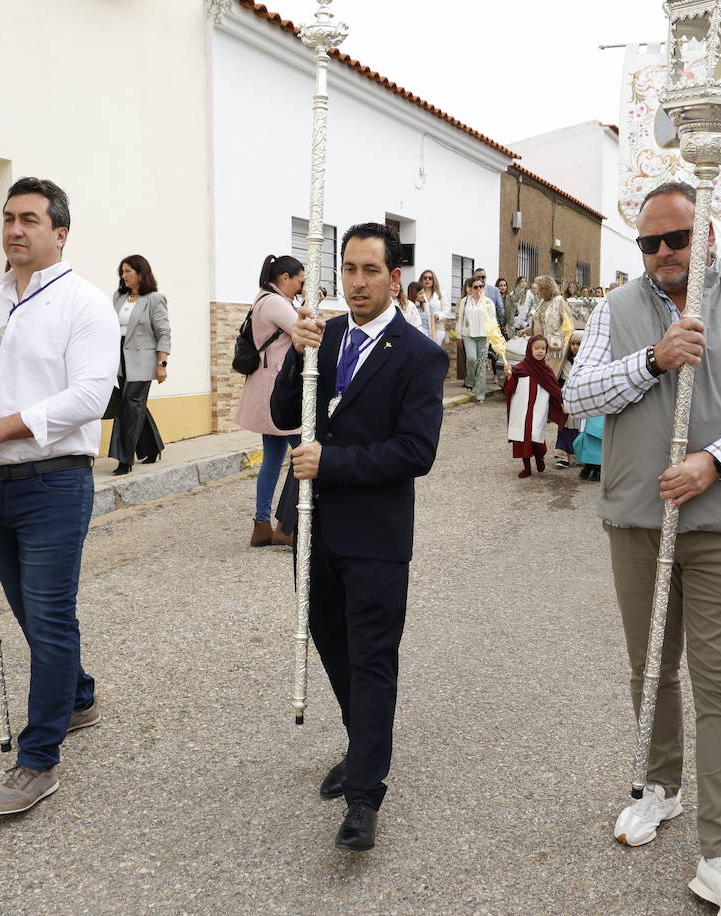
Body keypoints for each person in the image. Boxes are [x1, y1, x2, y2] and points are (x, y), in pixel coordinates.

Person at [564, 180, 721, 916]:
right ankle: (659, 788)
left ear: (708, 235)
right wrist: (653, 359)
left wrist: (716, 460)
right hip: (638, 519)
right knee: (650, 669)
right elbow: (578, 396)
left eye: (677, 238)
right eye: (650, 242)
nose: (665, 253)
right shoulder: (617, 310)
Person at [0, 177, 117, 816]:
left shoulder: (86, 304)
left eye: (30, 220)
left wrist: (2, 427)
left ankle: (38, 759)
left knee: (46, 614)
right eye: (9, 219)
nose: (15, 230)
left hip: (54, 483)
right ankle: (78, 696)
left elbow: (90, 398)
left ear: (59, 233)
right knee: (31, 612)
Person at [269, 222, 448, 853]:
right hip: (315, 526)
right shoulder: (327, 335)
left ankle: (366, 793)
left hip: (374, 533)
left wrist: (334, 464)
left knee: (372, 657)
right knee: (330, 643)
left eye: (370, 270)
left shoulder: (421, 355)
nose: (357, 282)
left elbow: (414, 451)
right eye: (349, 269)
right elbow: (290, 411)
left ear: (395, 277)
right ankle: (362, 741)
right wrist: (297, 353)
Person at [236, 254, 304, 547]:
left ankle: (262, 525)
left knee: (273, 460)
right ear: (285, 278)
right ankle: (286, 527)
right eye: (300, 282)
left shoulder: (264, 298)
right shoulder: (276, 303)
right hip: (280, 391)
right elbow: (302, 329)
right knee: (304, 455)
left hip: (269, 387)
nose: (301, 288)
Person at [110, 254, 170, 475]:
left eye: (127, 271)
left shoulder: (155, 298)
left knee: (129, 405)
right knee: (135, 405)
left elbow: (163, 333)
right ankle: (152, 448)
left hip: (143, 361)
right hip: (120, 358)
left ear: (141, 273)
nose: (123, 275)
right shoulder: (118, 297)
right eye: (122, 271)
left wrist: (162, 363)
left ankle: (124, 459)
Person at [505, 335, 565, 478]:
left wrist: (561, 403)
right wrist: (508, 375)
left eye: (543, 348)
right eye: (536, 348)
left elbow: (555, 389)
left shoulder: (547, 371)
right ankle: (526, 467)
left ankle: (539, 456)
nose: (540, 351)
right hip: (521, 408)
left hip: (538, 407)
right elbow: (510, 388)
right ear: (529, 349)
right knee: (522, 436)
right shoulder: (520, 369)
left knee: (535, 433)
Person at [458, 275, 509, 402]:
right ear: (470, 288)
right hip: (468, 334)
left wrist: (495, 337)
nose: (479, 289)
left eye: (481, 286)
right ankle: (469, 380)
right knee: (471, 359)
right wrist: (459, 336)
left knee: (481, 364)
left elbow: (493, 320)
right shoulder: (465, 301)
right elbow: (460, 319)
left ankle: (480, 394)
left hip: (484, 336)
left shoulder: (488, 302)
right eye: (476, 287)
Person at [529, 275, 575, 376]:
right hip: (542, 347)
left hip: (555, 348)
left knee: (553, 376)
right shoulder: (542, 302)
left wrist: (565, 344)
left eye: (540, 290)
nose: (538, 292)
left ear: (546, 289)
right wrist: (527, 330)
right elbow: (540, 322)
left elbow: (568, 325)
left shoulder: (559, 301)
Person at [555, 332, 583, 468]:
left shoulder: (586, 363)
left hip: (581, 400)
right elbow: (558, 383)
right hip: (566, 399)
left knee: (579, 428)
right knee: (564, 427)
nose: (575, 347)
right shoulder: (564, 363)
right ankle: (562, 455)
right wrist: (560, 402)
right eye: (573, 344)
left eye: (578, 344)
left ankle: (577, 455)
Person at [418, 268, 448, 347]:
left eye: (430, 278)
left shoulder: (440, 293)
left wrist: (438, 316)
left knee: (435, 351)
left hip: (437, 327)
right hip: (422, 327)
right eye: (425, 278)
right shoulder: (419, 293)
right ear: (421, 280)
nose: (427, 280)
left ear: (433, 280)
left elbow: (446, 310)